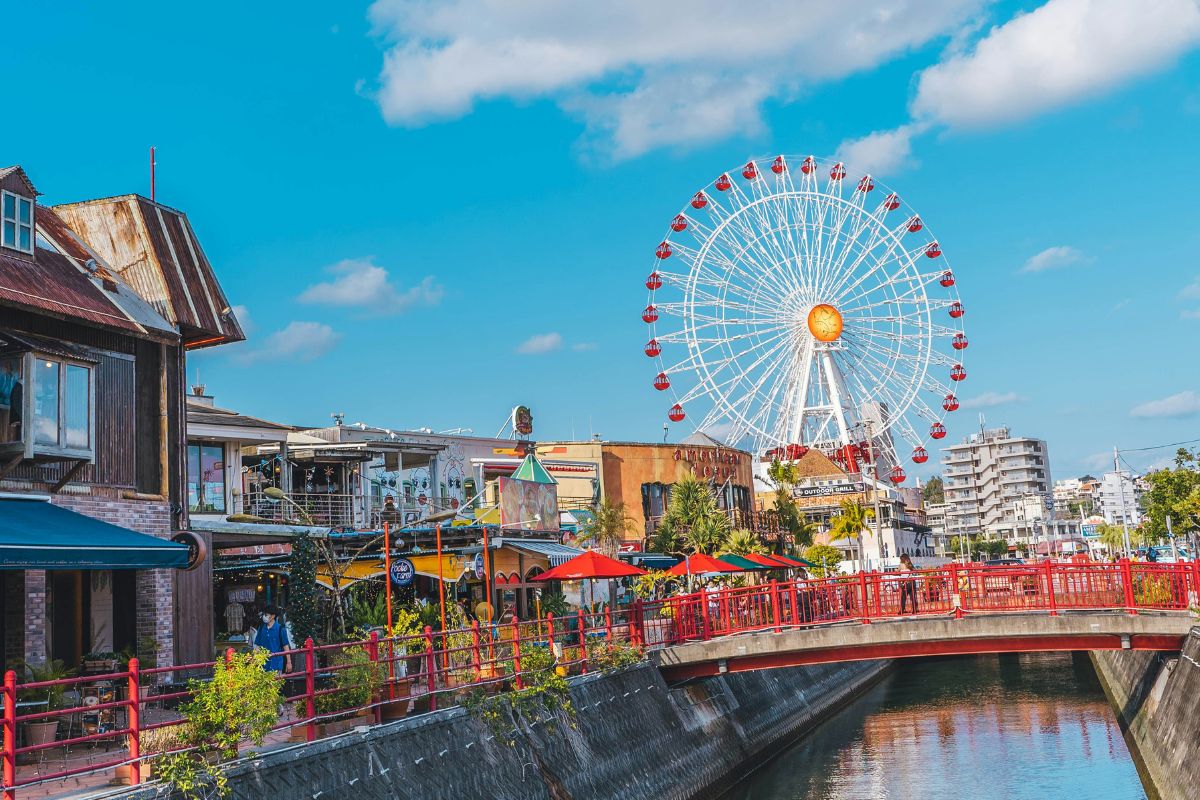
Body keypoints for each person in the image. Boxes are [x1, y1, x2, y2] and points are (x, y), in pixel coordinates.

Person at [253, 605, 293, 674]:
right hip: (263, 665)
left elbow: (286, 646)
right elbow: (257, 645)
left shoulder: (281, 629)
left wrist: (289, 663)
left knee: (276, 684)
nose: (264, 616)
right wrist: (254, 660)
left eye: (266, 615)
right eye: (264, 614)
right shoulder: (261, 628)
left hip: (276, 664)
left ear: (273, 616)